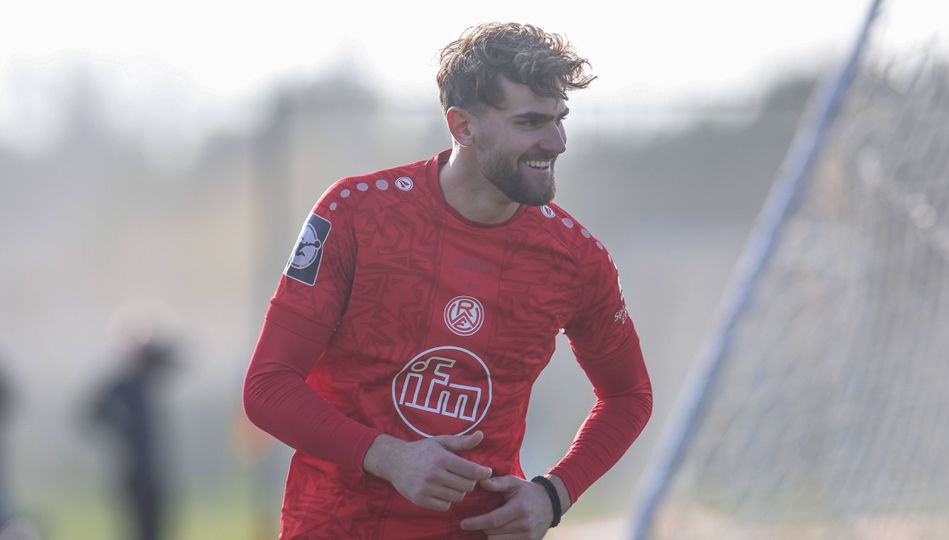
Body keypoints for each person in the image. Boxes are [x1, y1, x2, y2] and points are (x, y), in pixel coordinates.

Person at [243, 22, 653, 539]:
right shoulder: (356, 214)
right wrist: (387, 457)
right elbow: (267, 386)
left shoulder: (575, 258)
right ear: (462, 126)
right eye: (530, 122)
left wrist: (554, 494)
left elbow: (629, 394)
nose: (556, 142)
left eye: (559, 120)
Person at [90, 338, 175, 540]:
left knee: (153, 529)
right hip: (135, 470)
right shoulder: (126, 384)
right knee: (141, 530)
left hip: (150, 469)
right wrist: (123, 428)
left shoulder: (145, 385)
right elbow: (94, 411)